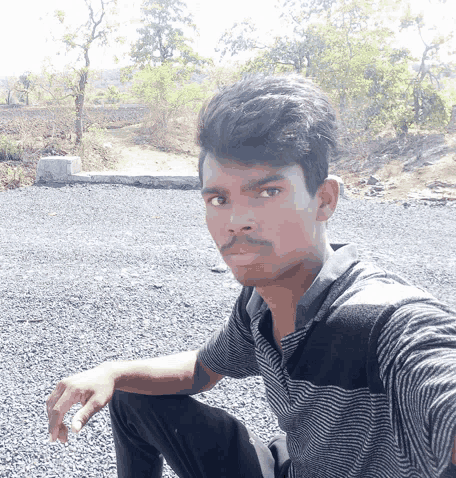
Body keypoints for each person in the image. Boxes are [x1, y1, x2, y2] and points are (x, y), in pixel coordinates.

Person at [46, 74, 456, 478]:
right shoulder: (261, 301)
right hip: (290, 466)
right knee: (132, 396)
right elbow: (203, 370)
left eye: (268, 192)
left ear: (325, 199)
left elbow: (434, 364)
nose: (237, 221)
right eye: (219, 198)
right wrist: (112, 372)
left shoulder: (383, 318)